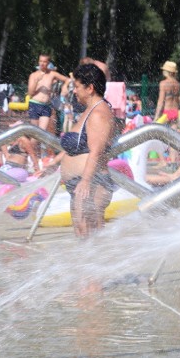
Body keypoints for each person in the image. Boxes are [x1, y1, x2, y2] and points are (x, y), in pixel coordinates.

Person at [59, 63, 118, 238]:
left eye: (77, 87)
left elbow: (96, 152)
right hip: (82, 183)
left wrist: (85, 181)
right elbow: (77, 149)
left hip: (92, 183)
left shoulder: (99, 113)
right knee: (83, 235)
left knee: (90, 237)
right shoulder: (89, 111)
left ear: (90, 88)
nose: (74, 91)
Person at [27, 54, 70, 170]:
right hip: (35, 104)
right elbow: (30, 92)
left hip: (45, 106)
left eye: (45, 62)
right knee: (35, 134)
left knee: (42, 132)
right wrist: (36, 82)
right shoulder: (34, 75)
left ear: (48, 63)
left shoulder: (52, 74)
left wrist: (65, 87)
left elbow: (67, 79)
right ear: (38, 62)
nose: (42, 64)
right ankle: (32, 158)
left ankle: (41, 157)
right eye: (40, 61)